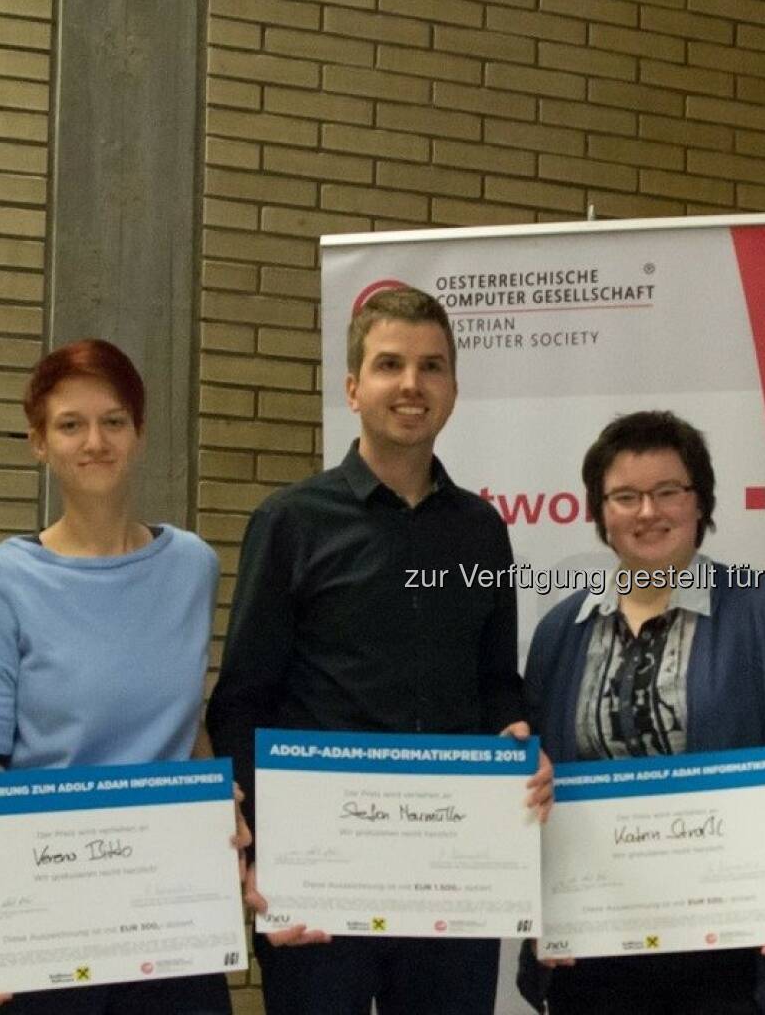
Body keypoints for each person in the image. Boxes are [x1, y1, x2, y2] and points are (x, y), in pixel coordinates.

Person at [205, 285, 550, 1015]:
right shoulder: (293, 521)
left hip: (451, 877)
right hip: (319, 880)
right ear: (354, 386)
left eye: (431, 367)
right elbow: (243, 700)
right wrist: (261, 849)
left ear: (454, 388)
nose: (411, 385)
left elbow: (496, 682)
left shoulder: (481, 530)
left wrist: (520, 738)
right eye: (390, 364)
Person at [519, 410, 765, 1015]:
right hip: (595, 948)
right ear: (600, 512)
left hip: (730, 950)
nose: (648, 512)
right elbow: (537, 781)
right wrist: (542, 900)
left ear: (701, 502)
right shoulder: (561, 632)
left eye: (668, 491)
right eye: (625, 496)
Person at [0, 339, 231, 1015]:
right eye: (70, 424)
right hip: (53, 922)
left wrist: (216, 799)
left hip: (171, 919)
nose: (95, 441)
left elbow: (183, 722)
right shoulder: (1, 581)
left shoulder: (192, 567)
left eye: (114, 421)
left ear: (140, 435)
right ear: (38, 443)